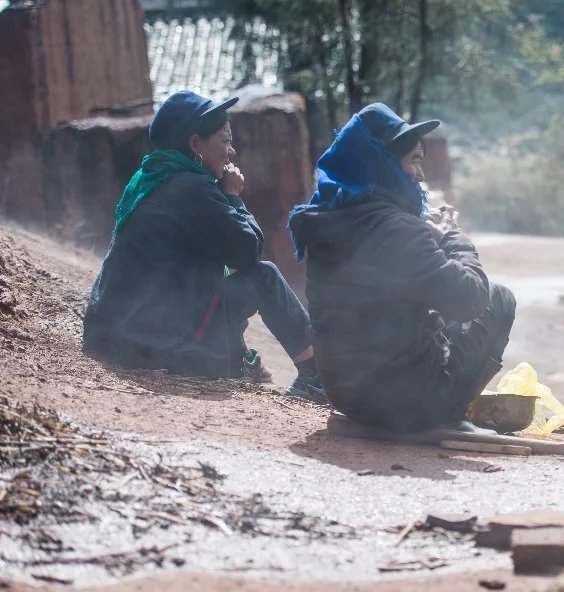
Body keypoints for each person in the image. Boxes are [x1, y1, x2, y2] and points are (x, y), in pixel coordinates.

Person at [287, 102, 516, 433]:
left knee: (437, 307)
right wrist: (453, 237)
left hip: (347, 396)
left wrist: (429, 238)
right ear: (381, 164)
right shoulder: (398, 228)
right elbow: (471, 299)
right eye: (414, 161)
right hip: (407, 403)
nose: (420, 175)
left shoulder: (328, 219)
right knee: (499, 298)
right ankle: (449, 414)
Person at [83, 90, 323, 398]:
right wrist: (233, 196)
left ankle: (237, 357)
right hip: (151, 344)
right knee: (264, 277)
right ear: (195, 144)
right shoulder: (190, 188)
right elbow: (248, 251)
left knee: (214, 273)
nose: (231, 151)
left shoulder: (150, 178)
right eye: (224, 141)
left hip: (115, 335)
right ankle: (315, 377)